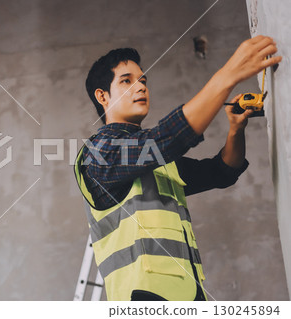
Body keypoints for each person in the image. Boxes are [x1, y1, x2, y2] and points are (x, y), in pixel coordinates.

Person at [74, 35, 281, 301]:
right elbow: (166, 138)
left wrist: (235, 129)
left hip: (188, 296)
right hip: (143, 300)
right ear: (102, 96)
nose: (140, 87)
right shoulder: (99, 154)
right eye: (127, 81)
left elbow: (222, 172)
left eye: (143, 81)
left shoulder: (155, 160)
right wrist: (227, 75)